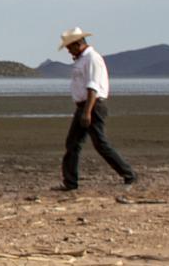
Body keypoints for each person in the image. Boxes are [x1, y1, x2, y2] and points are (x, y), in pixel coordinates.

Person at [58, 27, 136, 191]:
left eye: (69, 46)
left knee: (100, 143)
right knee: (73, 144)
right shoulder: (82, 60)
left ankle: (129, 174)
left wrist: (87, 111)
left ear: (78, 43)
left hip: (91, 105)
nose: (68, 50)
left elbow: (93, 86)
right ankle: (70, 182)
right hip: (84, 106)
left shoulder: (92, 58)